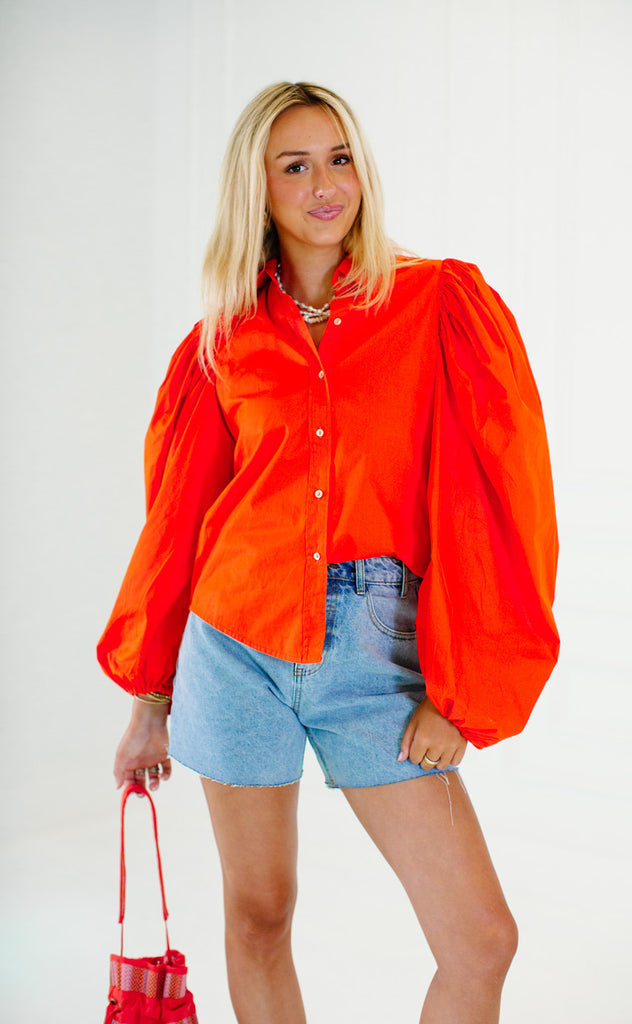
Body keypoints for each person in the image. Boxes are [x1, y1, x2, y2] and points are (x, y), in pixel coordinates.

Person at [98, 81, 559, 1024]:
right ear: (258, 189)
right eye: (296, 166)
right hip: (234, 650)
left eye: (339, 159)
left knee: (480, 941)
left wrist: (460, 693)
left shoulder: (439, 304)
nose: (325, 186)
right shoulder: (224, 342)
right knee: (260, 914)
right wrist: (150, 703)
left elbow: (502, 499)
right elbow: (178, 522)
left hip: (377, 655)